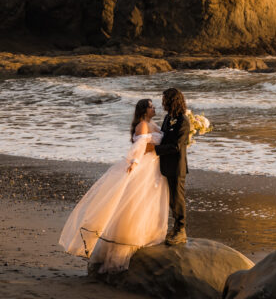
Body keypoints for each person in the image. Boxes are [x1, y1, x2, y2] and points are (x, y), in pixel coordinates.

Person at [59, 98, 169, 273]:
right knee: (136, 203)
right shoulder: (142, 125)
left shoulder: (152, 123)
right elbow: (139, 147)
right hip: (144, 166)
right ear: (144, 110)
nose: (154, 107)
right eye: (151, 106)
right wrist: (134, 163)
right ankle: (126, 246)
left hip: (153, 166)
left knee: (148, 203)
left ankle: (145, 237)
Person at [147, 86, 190, 246]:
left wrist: (155, 149)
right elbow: (165, 137)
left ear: (172, 100)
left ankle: (181, 230)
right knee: (170, 199)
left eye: (165, 99)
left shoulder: (183, 121)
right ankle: (174, 228)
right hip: (165, 164)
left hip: (177, 166)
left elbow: (176, 146)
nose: (163, 102)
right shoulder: (168, 118)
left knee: (177, 199)